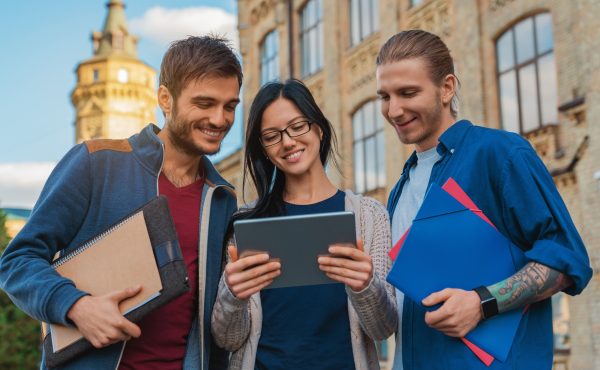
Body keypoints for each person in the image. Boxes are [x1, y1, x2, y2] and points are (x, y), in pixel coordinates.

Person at [0, 35, 242, 370]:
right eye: (204, 104)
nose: (219, 119)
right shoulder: (95, 162)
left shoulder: (222, 197)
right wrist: (75, 306)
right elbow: (17, 261)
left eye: (230, 106)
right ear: (165, 98)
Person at [375, 29, 593, 369]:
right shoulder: (399, 189)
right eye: (384, 97)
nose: (394, 109)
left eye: (407, 93)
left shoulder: (501, 155)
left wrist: (482, 302)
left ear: (447, 87)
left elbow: (568, 259)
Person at [211, 79, 396, 370]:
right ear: (264, 149)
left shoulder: (370, 217)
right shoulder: (246, 225)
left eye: (298, 127)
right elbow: (228, 339)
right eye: (272, 136)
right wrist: (232, 295)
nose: (288, 142)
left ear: (319, 129)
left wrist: (366, 286)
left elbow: (382, 329)